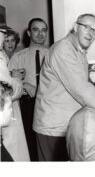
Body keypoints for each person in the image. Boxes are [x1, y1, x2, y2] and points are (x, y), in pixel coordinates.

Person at [33, 13, 95, 161]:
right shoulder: (63, 49)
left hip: (64, 125)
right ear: (75, 27)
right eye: (87, 27)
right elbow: (81, 88)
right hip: (52, 129)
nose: (91, 33)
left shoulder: (78, 51)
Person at [9, 18, 48, 161]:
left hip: (48, 105)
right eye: (36, 30)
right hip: (27, 106)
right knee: (30, 145)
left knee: (47, 145)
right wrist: (23, 84)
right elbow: (7, 85)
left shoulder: (53, 55)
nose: (40, 33)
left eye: (43, 30)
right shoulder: (18, 57)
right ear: (29, 33)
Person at [0, 14, 30, 161]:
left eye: (11, 40)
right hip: (6, 110)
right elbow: (9, 88)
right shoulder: (1, 58)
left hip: (11, 109)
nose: (8, 43)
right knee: (12, 149)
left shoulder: (8, 57)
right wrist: (16, 78)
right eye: (5, 38)